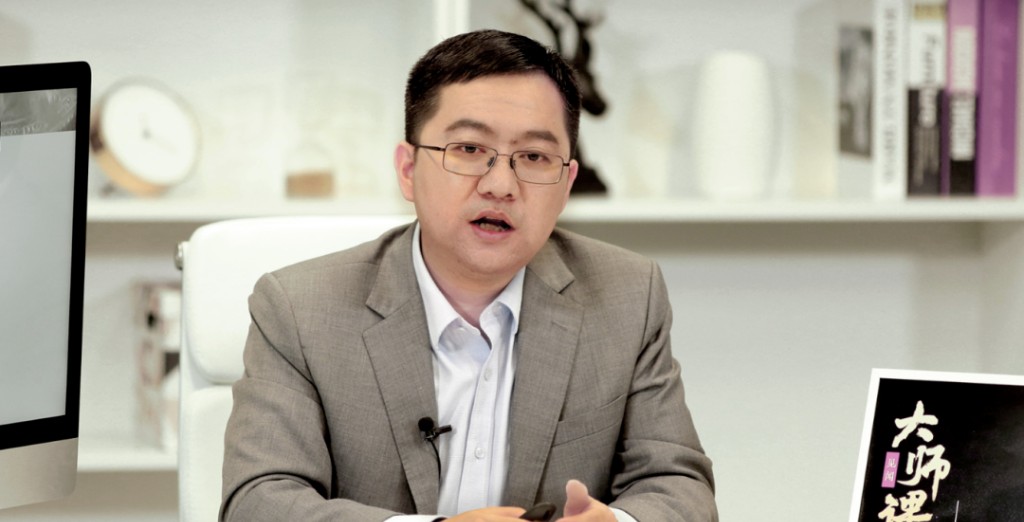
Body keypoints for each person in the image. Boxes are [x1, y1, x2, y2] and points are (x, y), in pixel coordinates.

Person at [221, 29, 717, 522]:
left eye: (534, 157)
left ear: (566, 184)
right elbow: (257, 502)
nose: (501, 185)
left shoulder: (628, 296)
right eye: (469, 149)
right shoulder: (298, 309)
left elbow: (680, 487)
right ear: (408, 169)